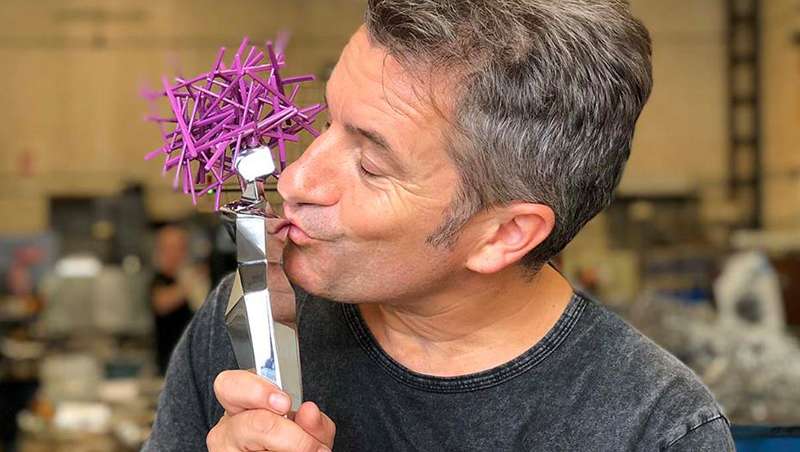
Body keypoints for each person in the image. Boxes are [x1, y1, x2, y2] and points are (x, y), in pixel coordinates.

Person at [145, 1, 735, 450]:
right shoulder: (243, 323)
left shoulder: (655, 430)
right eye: (327, 123)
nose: (296, 179)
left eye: (371, 166)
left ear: (504, 234)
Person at [149, 224, 195, 374]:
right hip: (168, 365)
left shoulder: (184, 278)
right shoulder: (159, 280)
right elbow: (162, 303)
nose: (174, 254)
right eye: (169, 248)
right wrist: (190, 285)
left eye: (179, 248)